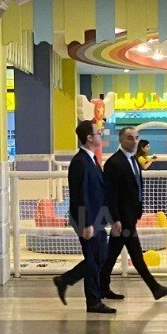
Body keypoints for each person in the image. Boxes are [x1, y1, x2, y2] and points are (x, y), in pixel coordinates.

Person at [102, 126, 167, 302]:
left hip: (130, 216)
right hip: (122, 218)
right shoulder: (114, 163)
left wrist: (138, 209)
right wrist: (115, 219)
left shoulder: (134, 161)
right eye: (130, 138)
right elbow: (110, 194)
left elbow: (137, 187)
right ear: (120, 140)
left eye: (136, 138)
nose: (134, 141)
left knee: (111, 254)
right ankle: (155, 288)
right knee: (135, 254)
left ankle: (100, 286)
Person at [54, 119, 114, 314]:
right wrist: (86, 223)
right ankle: (93, 301)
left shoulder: (91, 160)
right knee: (94, 259)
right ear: (89, 138)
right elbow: (80, 195)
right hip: (87, 219)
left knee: (99, 257)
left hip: (97, 217)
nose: (100, 135)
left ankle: (65, 280)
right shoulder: (80, 162)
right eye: (98, 133)